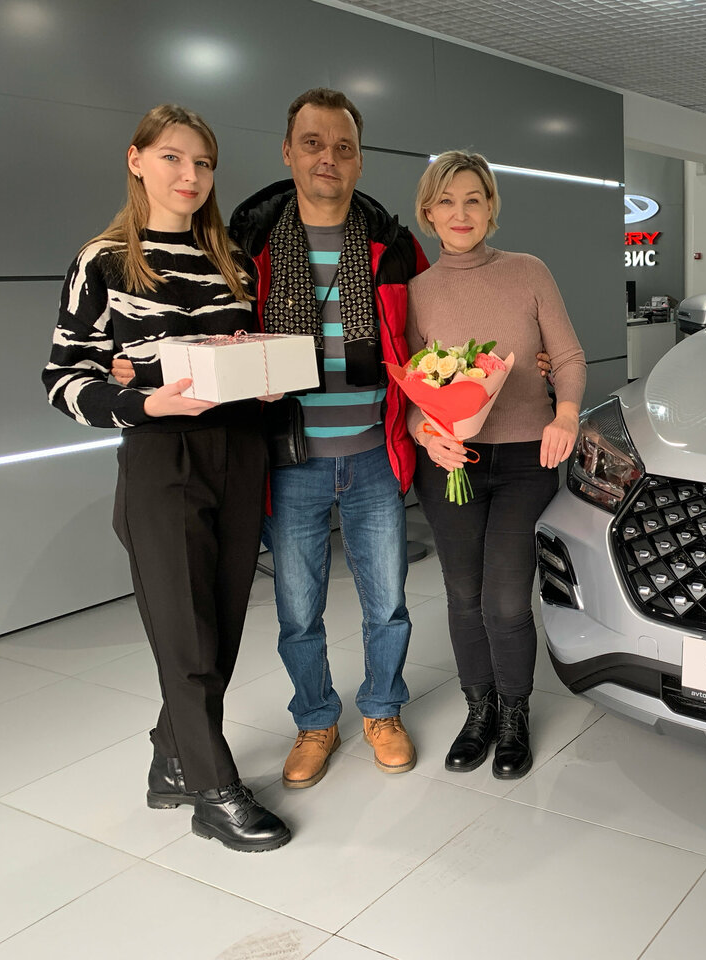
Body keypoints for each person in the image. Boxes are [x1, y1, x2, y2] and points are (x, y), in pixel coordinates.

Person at [43, 104, 290, 852]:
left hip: (240, 450)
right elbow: (64, 379)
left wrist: (264, 373)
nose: (190, 175)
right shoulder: (105, 260)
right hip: (161, 456)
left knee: (222, 626)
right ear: (137, 159)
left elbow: (240, 354)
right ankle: (215, 792)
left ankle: (172, 757)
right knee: (185, 635)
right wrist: (142, 401)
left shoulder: (231, 259)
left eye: (203, 163)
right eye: (174, 158)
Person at [228, 88, 428, 787]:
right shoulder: (249, 246)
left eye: (343, 147)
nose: (328, 158)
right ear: (288, 152)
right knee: (297, 610)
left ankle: (382, 709)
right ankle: (315, 719)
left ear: (359, 160)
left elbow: (433, 332)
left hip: (375, 454)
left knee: (388, 603)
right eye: (313, 143)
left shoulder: (393, 246)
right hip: (290, 462)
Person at [407, 151, 586, 779]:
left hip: (524, 460)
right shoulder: (418, 292)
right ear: (428, 213)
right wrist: (426, 435)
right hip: (450, 462)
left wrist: (566, 415)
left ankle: (514, 714)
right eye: (447, 202)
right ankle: (477, 711)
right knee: (463, 594)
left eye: (473, 199)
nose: (461, 213)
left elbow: (568, 357)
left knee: (507, 599)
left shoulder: (528, 271)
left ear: (491, 208)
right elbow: (413, 387)